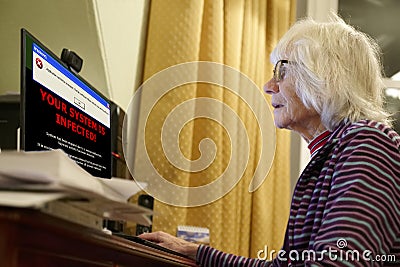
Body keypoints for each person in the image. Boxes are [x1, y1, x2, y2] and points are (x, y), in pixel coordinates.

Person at [139, 15, 400, 266]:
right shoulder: (338, 151)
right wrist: (197, 252)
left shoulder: (369, 143)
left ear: (325, 77)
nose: (268, 85)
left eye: (282, 71)